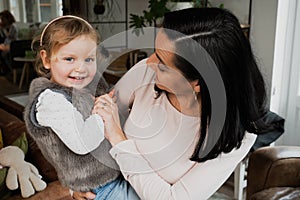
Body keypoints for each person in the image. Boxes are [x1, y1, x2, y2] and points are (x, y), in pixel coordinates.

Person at [76, 7, 269, 199]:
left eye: (162, 64)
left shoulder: (237, 135)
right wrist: (75, 181)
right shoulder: (145, 72)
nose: (149, 62)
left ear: (197, 83)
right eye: (155, 51)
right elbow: (96, 118)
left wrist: (118, 139)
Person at [24, 15, 139, 200]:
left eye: (89, 59)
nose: (81, 68)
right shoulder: (50, 101)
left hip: (117, 175)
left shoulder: (89, 84)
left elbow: (116, 103)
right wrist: (103, 111)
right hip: (100, 190)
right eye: (69, 59)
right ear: (46, 59)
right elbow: (83, 143)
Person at [0, 10, 18, 74]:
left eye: (2, 19)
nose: (1, 21)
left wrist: (3, 29)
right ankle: (5, 69)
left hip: (12, 44)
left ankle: (7, 69)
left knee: (2, 52)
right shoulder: (5, 27)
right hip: (7, 43)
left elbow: (10, 36)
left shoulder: (13, 26)